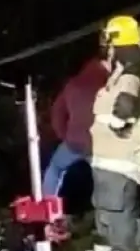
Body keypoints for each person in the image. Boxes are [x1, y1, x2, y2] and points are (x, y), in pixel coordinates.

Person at [89, 15, 140, 251]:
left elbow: (125, 108)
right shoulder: (127, 68)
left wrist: (116, 124)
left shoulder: (131, 72)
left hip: (119, 160)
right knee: (109, 214)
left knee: (118, 217)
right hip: (110, 161)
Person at [42, 46, 111, 198]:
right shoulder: (111, 83)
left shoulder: (73, 84)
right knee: (107, 181)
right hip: (103, 144)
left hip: (75, 141)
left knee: (55, 168)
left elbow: (57, 113)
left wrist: (64, 136)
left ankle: (48, 207)